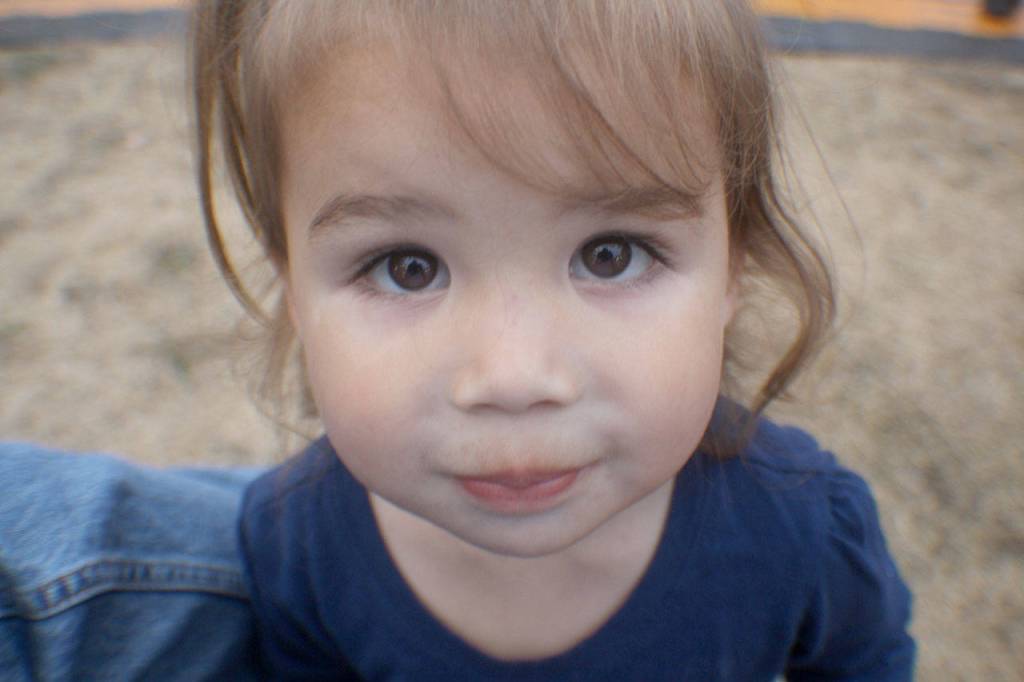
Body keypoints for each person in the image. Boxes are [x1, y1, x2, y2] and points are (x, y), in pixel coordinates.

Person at [0, 0, 913, 680]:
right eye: (407, 266)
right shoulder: (295, 545)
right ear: (290, 290)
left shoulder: (804, 530)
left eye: (611, 252)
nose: (512, 377)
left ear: (734, 270)